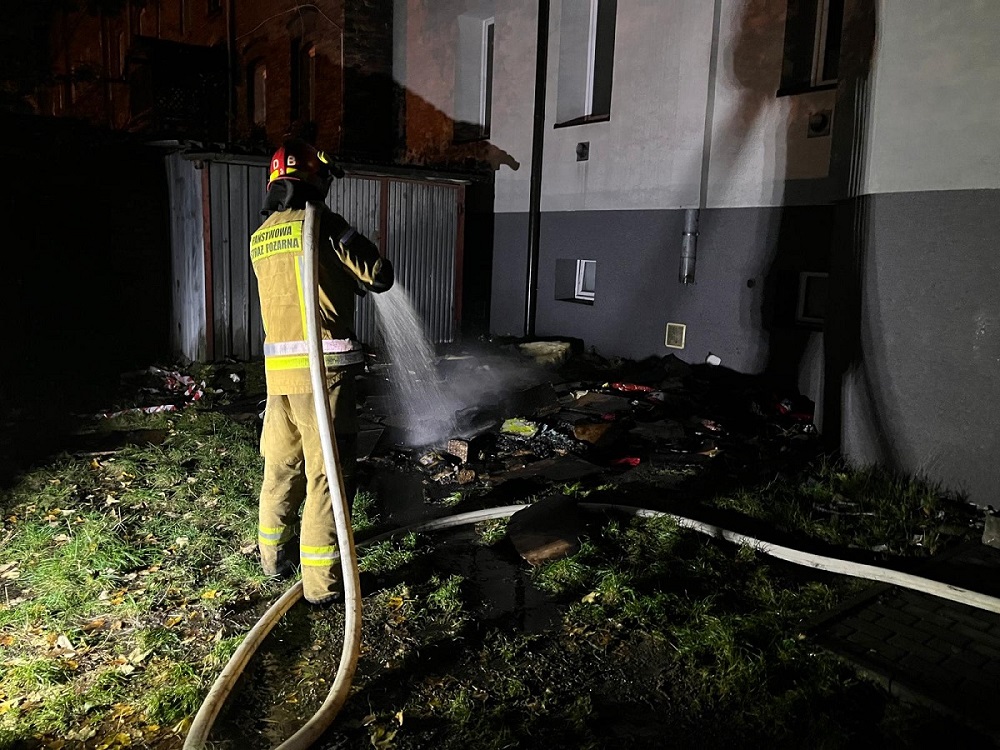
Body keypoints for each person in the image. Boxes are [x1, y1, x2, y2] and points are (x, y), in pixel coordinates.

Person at [250, 138, 393, 605]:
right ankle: (322, 587)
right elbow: (379, 274)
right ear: (316, 179)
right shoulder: (325, 226)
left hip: (279, 380)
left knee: (280, 468)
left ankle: (272, 558)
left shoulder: (261, 235)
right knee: (326, 480)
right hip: (324, 378)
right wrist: (348, 239)